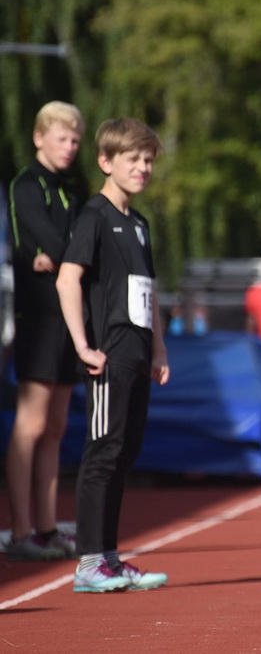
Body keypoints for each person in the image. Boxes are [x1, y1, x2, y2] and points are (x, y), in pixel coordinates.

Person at [55, 117, 170, 592]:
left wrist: (160, 347)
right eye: (133, 159)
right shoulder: (94, 216)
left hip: (139, 354)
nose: (143, 168)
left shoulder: (139, 224)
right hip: (108, 352)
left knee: (124, 452)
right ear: (106, 162)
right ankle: (89, 564)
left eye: (148, 160)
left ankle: (110, 559)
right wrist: (83, 344)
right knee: (103, 453)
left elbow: (149, 292)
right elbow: (67, 278)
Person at [4, 101, 85, 561]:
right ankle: (19, 533)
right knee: (30, 424)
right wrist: (61, 256)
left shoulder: (70, 193)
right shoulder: (26, 186)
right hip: (39, 317)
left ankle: (48, 527)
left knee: (54, 427)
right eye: (62, 138)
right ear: (39, 138)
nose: (70, 147)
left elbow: (72, 249)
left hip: (68, 318)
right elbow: (52, 243)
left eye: (75, 140)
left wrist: (67, 258)